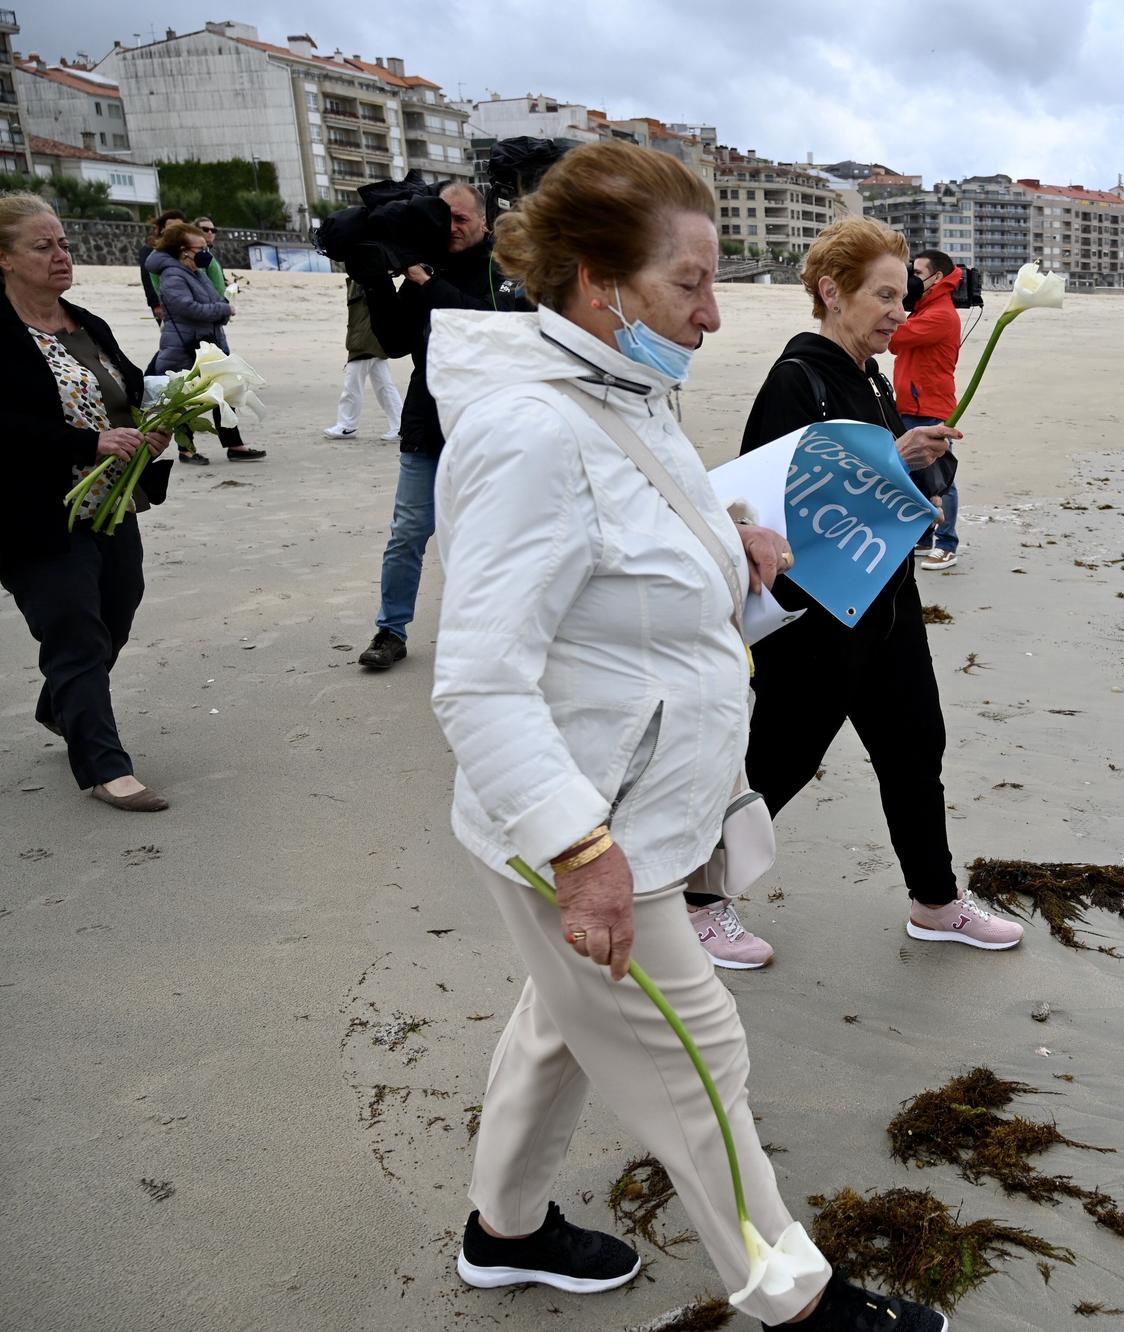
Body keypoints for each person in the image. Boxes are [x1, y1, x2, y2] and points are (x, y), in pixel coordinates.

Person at [427, 140, 948, 1332]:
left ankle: (500, 1230)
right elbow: (478, 683)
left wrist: (730, 541)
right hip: (594, 826)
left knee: (562, 1022)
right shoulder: (527, 429)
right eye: (689, 285)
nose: (715, 317)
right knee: (696, 1057)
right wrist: (581, 851)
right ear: (597, 282)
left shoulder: (620, 390)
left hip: (638, 806)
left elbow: (624, 546)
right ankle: (796, 1304)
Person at [682, 217, 1023, 968]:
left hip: (888, 604)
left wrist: (913, 467)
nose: (898, 312)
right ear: (832, 292)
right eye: (884, 296)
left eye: (904, 297)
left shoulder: (870, 375)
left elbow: (875, 487)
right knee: (779, 759)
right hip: (819, 615)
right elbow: (771, 508)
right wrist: (893, 460)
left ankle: (935, 901)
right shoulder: (797, 377)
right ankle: (695, 902)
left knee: (914, 747)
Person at [1, 194, 175, 811]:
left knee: (117, 609)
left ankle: (60, 706)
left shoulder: (84, 323)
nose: (60, 256)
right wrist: (87, 441)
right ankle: (105, 768)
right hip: (32, 514)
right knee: (74, 627)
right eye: (42, 246)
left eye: (64, 244)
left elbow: (129, 388)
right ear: (5, 259)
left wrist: (153, 426)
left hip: (109, 503)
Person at [355, 181, 505, 671]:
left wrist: (424, 281)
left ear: (484, 220)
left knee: (492, 537)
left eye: (462, 219)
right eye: (445, 218)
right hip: (428, 420)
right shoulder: (422, 260)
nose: (452, 227)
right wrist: (376, 280)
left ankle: (495, 633)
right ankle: (390, 630)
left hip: (493, 426)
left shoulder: (507, 266)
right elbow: (396, 341)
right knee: (407, 533)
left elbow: (494, 327)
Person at [145, 220, 265, 462]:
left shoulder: (194, 273)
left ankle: (234, 445)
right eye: (200, 249)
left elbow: (211, 300)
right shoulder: (173, 275)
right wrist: (223, 310)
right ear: (183, 250)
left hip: (206, 342)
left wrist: (221, 308)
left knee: (223, 391)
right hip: (184, 347)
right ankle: (186, 449)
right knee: (182, 399)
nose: (205, 254)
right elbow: (187, 308)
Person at [889, 249, 963, 571]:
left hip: (931, 406)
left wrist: (893, 309)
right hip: (911, 403)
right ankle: (922, 535)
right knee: (914, 474)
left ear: (937, 278)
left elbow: (895, 339)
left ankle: (947, 543)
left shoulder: (941, 314)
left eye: (917, 275)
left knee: (939, 479)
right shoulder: (924, 309)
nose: (911, 281)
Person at [322, 276, 404, 441]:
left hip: (365, 341)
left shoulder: (368, 282)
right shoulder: (366, 281)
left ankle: (347, 425)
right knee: (385, 386)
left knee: (353, 385)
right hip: (371, 340)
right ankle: (400, 426)